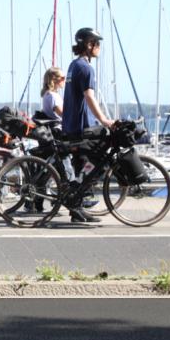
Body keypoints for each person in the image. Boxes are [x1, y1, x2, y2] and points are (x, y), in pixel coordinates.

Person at [61, 28, 115, 223]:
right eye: (96, 43)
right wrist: (104, 120)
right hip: (81, 126)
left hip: (72, 124)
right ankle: (77, 203)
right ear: (88, 45)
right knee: (100, 160)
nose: (99, 47)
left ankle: (77, 204)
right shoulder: (85, 68)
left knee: (81, 165)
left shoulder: (73, 65)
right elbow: (89, 97)